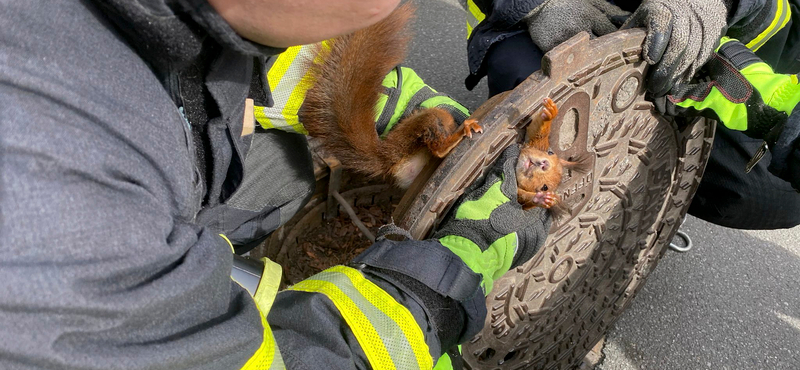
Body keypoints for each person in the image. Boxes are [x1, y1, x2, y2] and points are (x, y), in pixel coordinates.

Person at [0, 1, 552, 370]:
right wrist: (442, 281)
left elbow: (271, 57)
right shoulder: (58, 212)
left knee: (286, 175)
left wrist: (383, 106)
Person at [462, 0, 800, 229]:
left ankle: (627, 206)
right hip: (555, 17)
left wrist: (718, 8)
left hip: (685, 33)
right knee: (541, 103)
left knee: (769, 196)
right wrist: (534, 6)